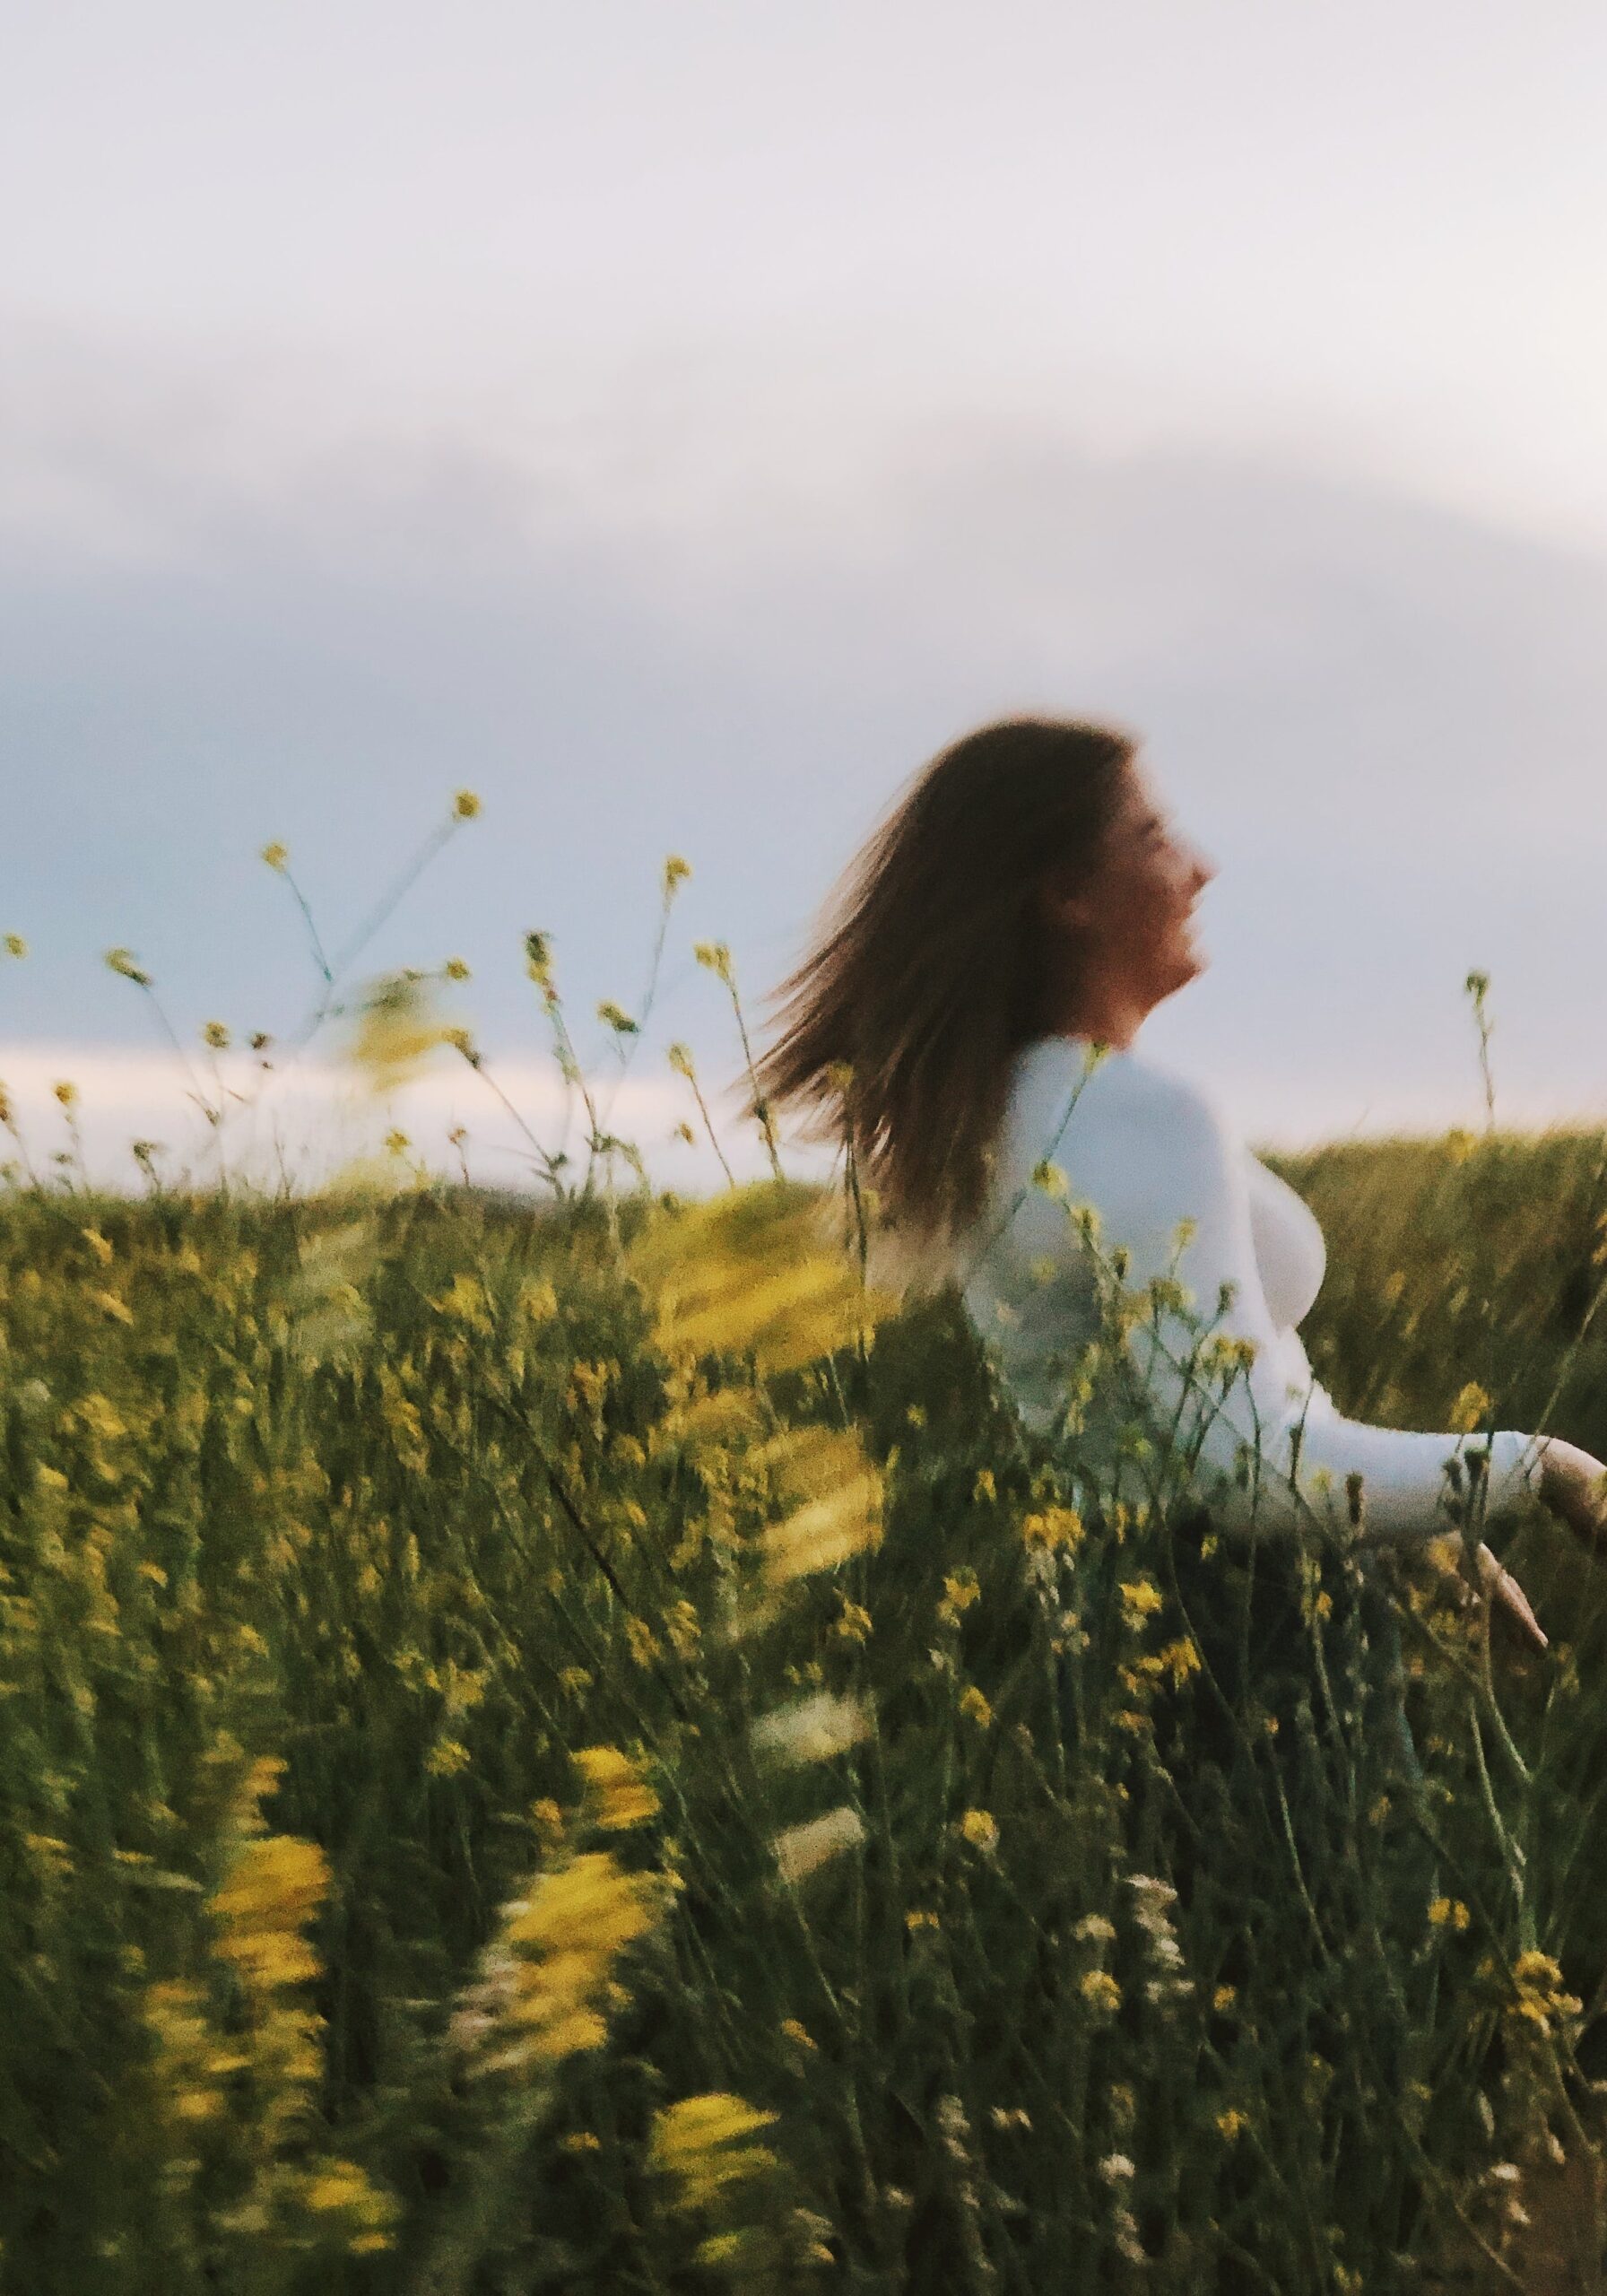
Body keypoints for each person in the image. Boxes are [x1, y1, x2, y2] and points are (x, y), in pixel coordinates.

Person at [750, 711, 1607, 1612]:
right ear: (1068, 893)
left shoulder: (1002, 1114)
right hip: (1240, 1622)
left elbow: (1212, 1421)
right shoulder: (1131, 1117)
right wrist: (1538, 1468)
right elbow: (1250, 1472)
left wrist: (1414, 1523)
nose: (1202, 868)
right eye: (1154, 836)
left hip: (1125, 1608)